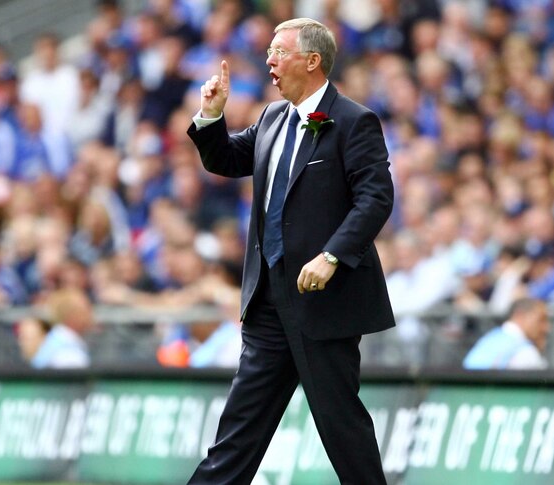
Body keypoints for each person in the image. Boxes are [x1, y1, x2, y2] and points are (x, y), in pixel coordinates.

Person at [186, 18, 395, 484]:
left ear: (312, 60)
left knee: (342, 428)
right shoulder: (271, 118)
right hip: (267, 302)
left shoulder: (355, 121)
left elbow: (375, 199)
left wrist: (333, 255)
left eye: (279, 52)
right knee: (239, 429)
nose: (269, 62)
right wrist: (212, 116)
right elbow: (224, 159)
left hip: (323, 300)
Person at [463, 297, 550, 370]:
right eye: (541, 320)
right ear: (519, 316)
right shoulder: (525, 352)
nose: (546, 328)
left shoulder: (489, 339)